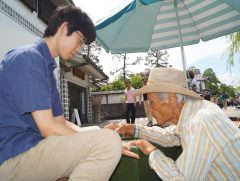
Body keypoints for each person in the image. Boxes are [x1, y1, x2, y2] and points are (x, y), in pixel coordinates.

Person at [0, 5, 122, 181]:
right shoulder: (28, 57)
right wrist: (100, 141)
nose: (80, 49)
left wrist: (95, 133)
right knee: (108, 142)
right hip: (11, 156)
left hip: (31, 149)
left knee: (101, 135)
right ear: (64, 28)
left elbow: (60, 122)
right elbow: (48, 128)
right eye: (80, 41)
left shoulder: (47, 67)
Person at [106, 67, 240, 180]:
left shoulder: (201, 121)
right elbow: (171, 136)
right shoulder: (196, 111)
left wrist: (151, 150)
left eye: (152, 103)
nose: (150, 111)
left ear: (171, 99)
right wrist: (132, 128)